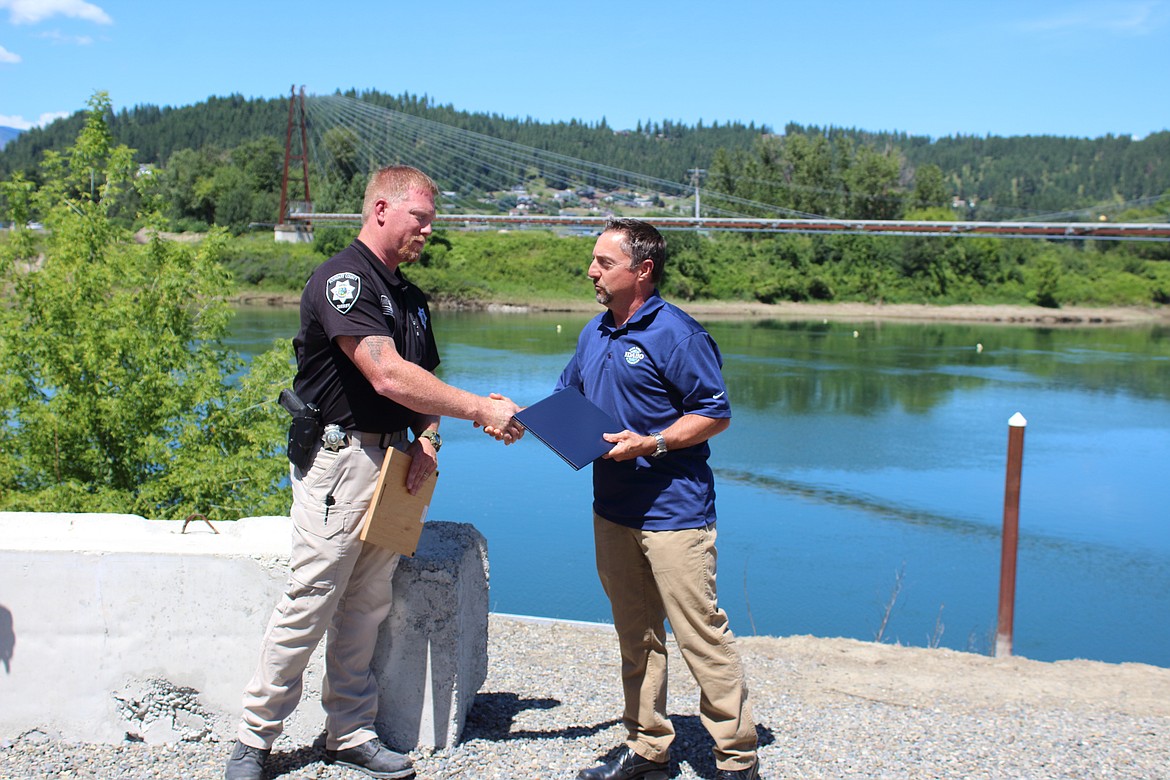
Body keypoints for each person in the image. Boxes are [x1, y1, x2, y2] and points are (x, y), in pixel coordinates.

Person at [224, 165, 522, 780]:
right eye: (421, 218)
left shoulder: (409, 297)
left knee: (367, 604)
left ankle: (348, 732)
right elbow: (384, 373)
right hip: (342, 463)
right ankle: (255, 739)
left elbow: (420, 388)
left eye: (431, 221)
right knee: (311, 598)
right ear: (383, 209)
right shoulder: (344, 280)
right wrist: (480, 410)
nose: (428, 231)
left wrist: (432, 437)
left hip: (394, 466)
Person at [558, 218, 760, 780]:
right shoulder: (595, 332)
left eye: (604, 262)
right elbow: (568, 396)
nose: (592, 271)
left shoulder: (679, 334)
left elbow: (714, 413)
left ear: (642, 271)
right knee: (636, 636)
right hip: (612, 509)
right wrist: (523, 418)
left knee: (701, 635)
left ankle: (738, 760)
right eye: (594, 261)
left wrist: (656, 442)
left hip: (675, 514)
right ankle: (648, 748)